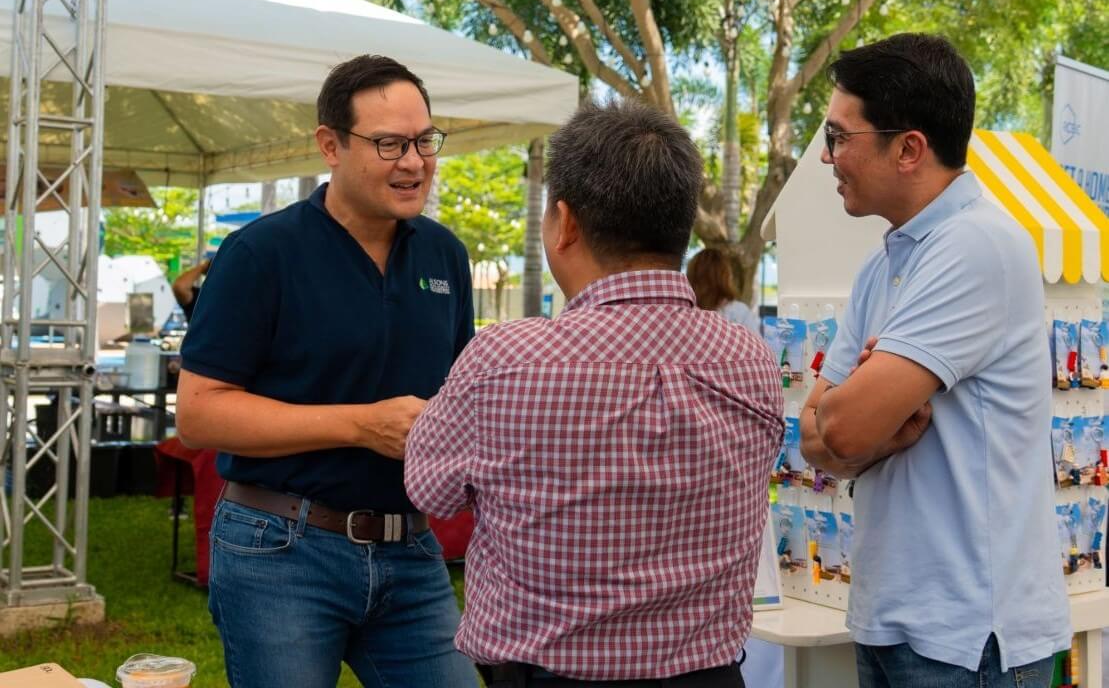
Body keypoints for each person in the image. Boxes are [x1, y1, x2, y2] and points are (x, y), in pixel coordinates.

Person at [405, 99, 784, 688]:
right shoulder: (749, 359)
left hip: (546, 675)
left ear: (567, 223)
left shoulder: (504, 360)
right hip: (707, 674)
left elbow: (431, 488)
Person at [176, 55, 478, 688]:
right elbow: (200, 414)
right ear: (330, 145)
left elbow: (456, 398)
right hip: (279, 547)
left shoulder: (446, 255)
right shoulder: (260, 253)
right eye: (390, 143)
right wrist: (361, 426)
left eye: (425, 140)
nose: (415, 161)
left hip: (412, 548)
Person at [799, 34, 1070, 688]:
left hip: (969, 634)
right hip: (897, 618)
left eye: (839, 137)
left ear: (908, 148)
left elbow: (837, 429)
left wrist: (857, 420)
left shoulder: (975, 244)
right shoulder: (885, 263)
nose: (827, 157)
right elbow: (813, 438)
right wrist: (868, 421)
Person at [686, 248, 761, 335]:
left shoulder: (684, 312)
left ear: (692, 277)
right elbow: (758, 346)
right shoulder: (738, 312)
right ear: (725, 276)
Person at [170, 257, 209, 321]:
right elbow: (180, 287)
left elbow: (180, 287)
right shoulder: (202, 299)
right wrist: (203, 267)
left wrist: (203, 267)